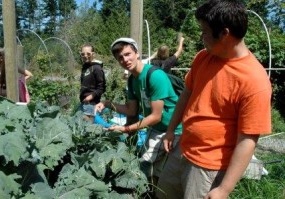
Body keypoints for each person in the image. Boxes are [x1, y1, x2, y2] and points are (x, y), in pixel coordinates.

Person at [156, 0, 272, 199]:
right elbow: (186, 94)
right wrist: (170, 131)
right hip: (182, 148)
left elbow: (248, 139)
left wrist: (224, 189)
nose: (202, 37)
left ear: (225, 33)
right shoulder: (203, 57)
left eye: (204, 31)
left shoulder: (254, 80)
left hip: (208, 167)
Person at [95, 37, 182, 194]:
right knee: (149, 167)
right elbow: (131, 110)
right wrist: (107, 103)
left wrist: (126, 128)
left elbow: (156, 116)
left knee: (157, 169)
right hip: (157, 128)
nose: (125, 60)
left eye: (128, 54)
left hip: (175, 130)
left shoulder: (154, 76)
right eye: (120, 58)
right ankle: (153, 194)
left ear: (137, 53)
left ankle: (156, 194)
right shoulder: (132, 80)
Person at [79, 44, 106, 118]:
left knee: (90, 126)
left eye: (88, 53)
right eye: (83, 54)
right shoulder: (85, 67)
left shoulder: (97, 68)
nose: (85, 56)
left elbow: (102, 88)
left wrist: (90, 97)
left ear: (93, 54)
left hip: (92, 104)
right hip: (84, 102)